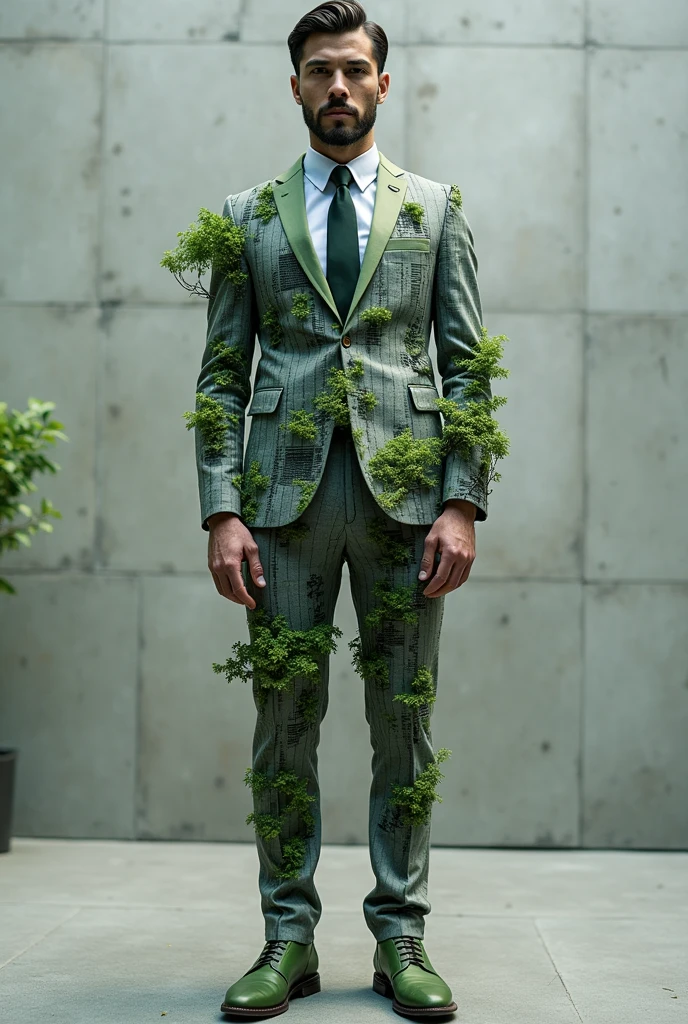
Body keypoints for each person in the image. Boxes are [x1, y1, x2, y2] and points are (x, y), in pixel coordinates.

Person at [196, 2, 491, 1017]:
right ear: (294, 86)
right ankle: (287, 939)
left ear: (382, 84)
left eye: (354, 70)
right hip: (278, 504)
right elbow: (220, 380)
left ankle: (400, 939)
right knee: (284, 722)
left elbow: (467, 368)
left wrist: (462, 502)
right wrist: (218, 511)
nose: (337, 87)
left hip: (406, 504)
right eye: (318, 70)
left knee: (401, 723)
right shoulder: (244, 217)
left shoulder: (436, 209)